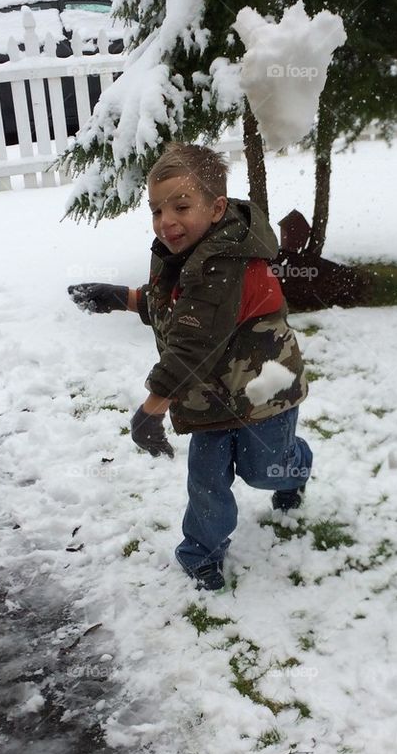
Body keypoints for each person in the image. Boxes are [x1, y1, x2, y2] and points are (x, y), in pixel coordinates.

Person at [68, 142, 313, 593]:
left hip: (264, 393)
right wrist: (121, 297)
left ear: (217, 207)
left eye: (181, 206)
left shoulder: (230, 267)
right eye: (157, 210)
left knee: (265, 471)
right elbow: (179, 306)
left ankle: (297, 465)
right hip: (211, 397)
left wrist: (152, 407)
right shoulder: (188, 251)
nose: (167, 221)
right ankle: (200, 553)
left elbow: (192, 341)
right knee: (205, 481)